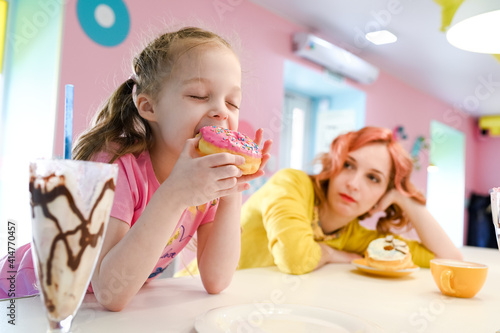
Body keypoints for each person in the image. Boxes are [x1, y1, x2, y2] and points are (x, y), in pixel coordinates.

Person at [0, 27, 271, 310]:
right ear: (148, 106)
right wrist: (174, 195)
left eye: (232, 102)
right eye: (199, 95)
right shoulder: (117, 165)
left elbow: (217, 280)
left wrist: (230, 191)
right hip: (25, 297)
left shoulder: (204, 183)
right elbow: (110, 292)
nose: (221, 111)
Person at [238, 126, 462, 274]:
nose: (353, 183)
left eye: (373, 178)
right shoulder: (291, 184)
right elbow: (294, 258)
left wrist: (405, 199)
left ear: (384, 195)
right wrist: (330, 253)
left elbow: (448, 259)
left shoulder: (352, 235)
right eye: (348, 165)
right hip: (210, 306)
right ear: (333, 165)